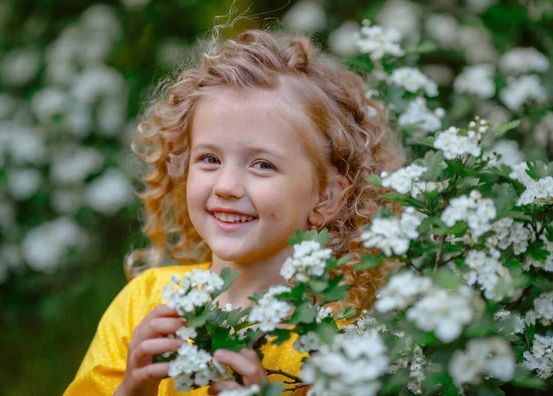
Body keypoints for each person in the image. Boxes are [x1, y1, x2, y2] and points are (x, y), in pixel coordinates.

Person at [63, 28, 404, 396]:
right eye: (209, 159)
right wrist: (133, 389)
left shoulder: (335, 338)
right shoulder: (145, 303)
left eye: (261, 165)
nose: (226, 186)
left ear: (327, 196)